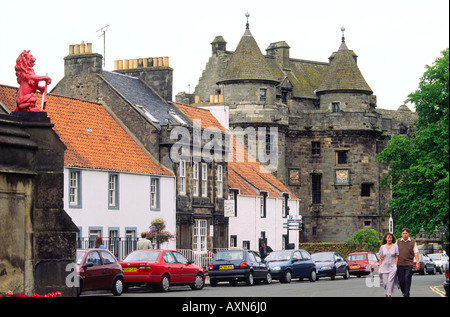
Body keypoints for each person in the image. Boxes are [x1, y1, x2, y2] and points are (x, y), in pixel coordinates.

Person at [396, 228, 420, 297]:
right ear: (401, 234)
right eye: (403, 233)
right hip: (400, 264)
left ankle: (406, 294)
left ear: (408, 234)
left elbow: (416, 252)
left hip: (409, 264)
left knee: (407, 279)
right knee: (401, 281)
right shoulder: (398, 242)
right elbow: (394, 253)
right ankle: (404, 292)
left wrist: (417, 262)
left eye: (406, 233)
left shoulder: (413, 241)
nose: (405, 235)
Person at [378, 233, 399, 297]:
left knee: (390, 281)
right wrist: (380, 265)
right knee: (385, 282)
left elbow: (397, 256)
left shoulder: (395, 246)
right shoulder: (382, 247)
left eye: (390, 238)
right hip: (384, 266)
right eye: (388, 238)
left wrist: (395, 265)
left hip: (392, 266)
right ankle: (388, 292)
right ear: (385, 239)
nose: (389, 239)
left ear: (392, 239)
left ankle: (388, 295)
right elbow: (381, 257)